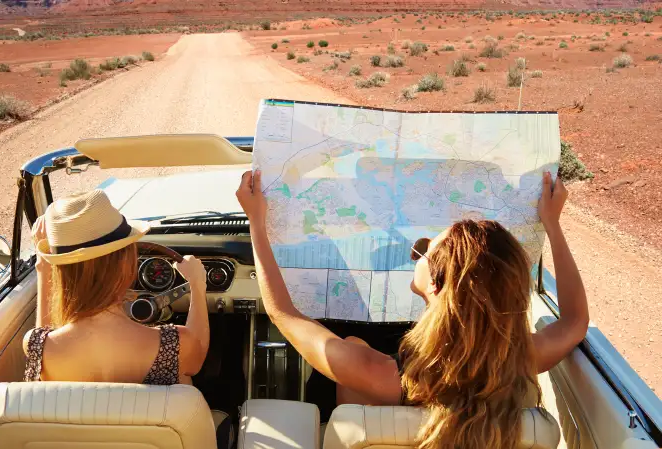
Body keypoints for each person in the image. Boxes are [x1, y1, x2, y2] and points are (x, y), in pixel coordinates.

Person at [236, 170, 589, 449]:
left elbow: (283, 312)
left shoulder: (378, 375)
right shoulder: (524, 358)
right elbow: (575, 320)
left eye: (423, 250)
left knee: (357, 344)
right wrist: (553, 226)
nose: (415, 253)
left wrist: (256, 222)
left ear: (435, 287)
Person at [22, 189, 210, 385]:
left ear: (60, 273)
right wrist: (197, 285)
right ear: (125, 264)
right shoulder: (174, 344)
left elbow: (47, 332)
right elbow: (197, 359)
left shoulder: (38, 346)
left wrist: (44, 268)